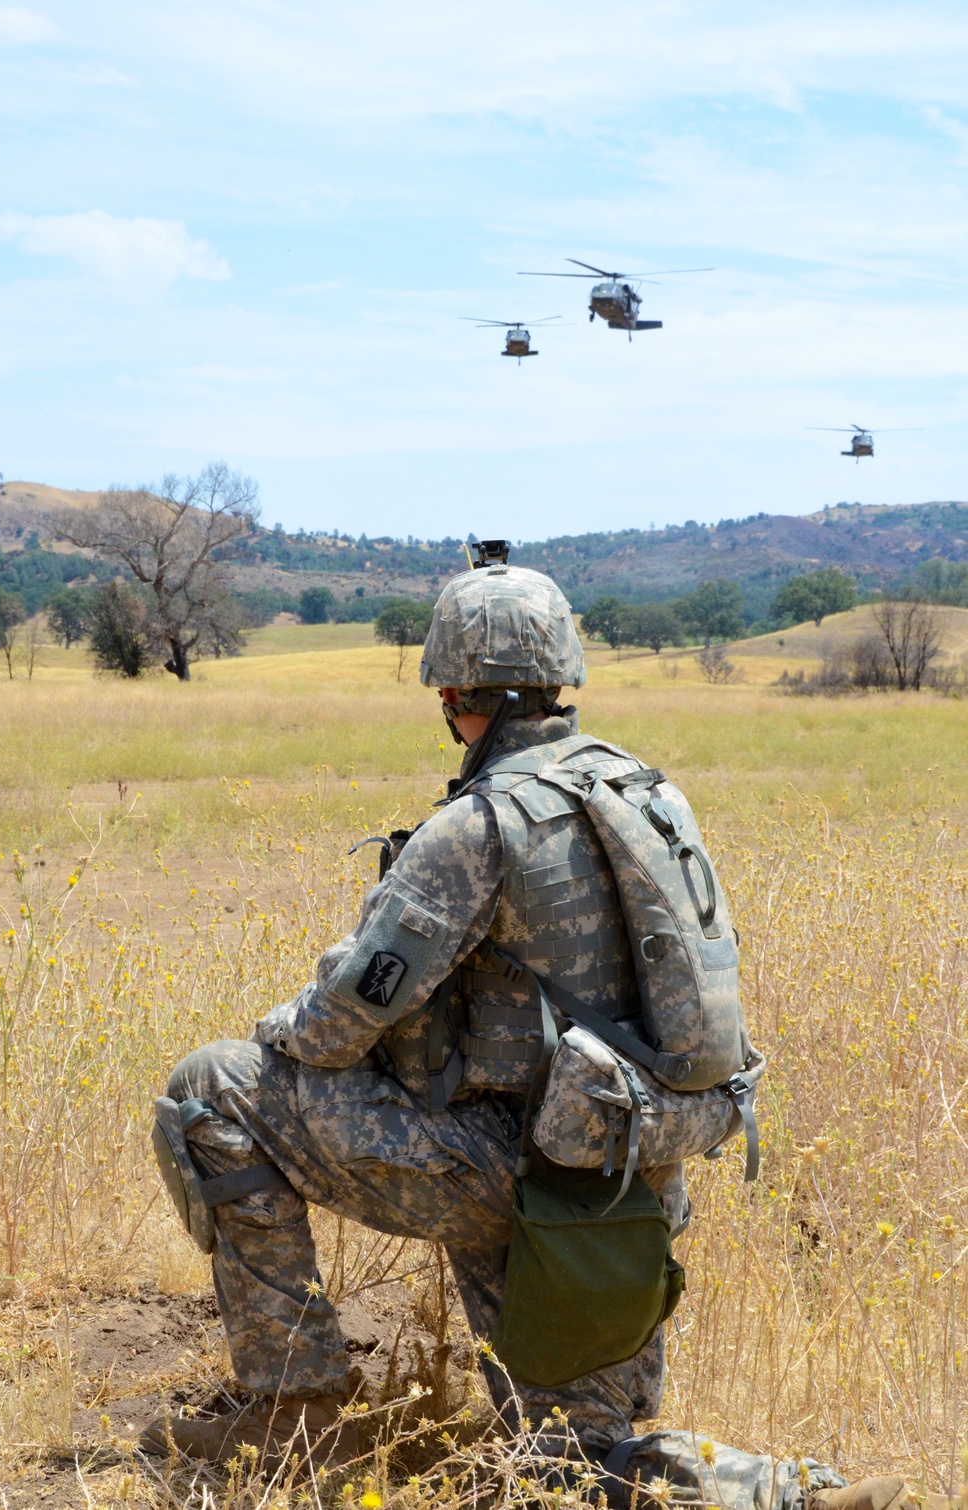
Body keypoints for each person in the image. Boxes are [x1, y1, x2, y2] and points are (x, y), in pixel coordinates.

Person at [142, 561, 945, 1510]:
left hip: (494, 1172)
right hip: (620, 1180)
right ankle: (794, 1494)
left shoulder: (478, 827)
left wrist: (276, 1027)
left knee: (211, 1088)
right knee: (567, 1465)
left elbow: (335, 1026)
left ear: (453, 692)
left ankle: (293, 1413)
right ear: (560, 675)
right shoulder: (646, 795)